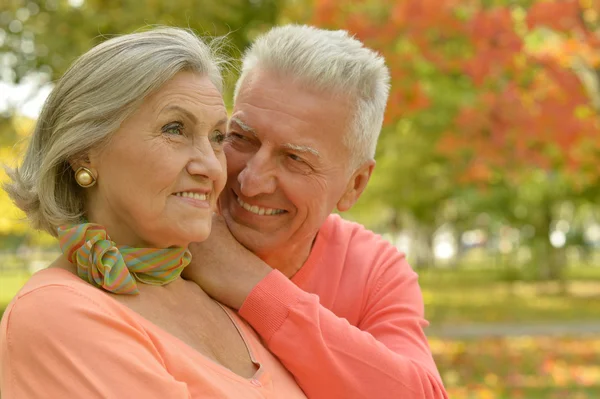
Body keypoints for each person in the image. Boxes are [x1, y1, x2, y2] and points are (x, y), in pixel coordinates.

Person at [0, 27, 307, 399]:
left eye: (217, 137)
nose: (211, 166)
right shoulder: (54, 314)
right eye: (174, 129)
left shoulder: (221, 292)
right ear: (84, 151)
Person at [183, 25, 449, 399]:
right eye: (241, 138)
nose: (252, 179)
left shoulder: (373, 270)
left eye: (294, 159)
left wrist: (247, 281)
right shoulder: (170, 231)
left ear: (355, 184)